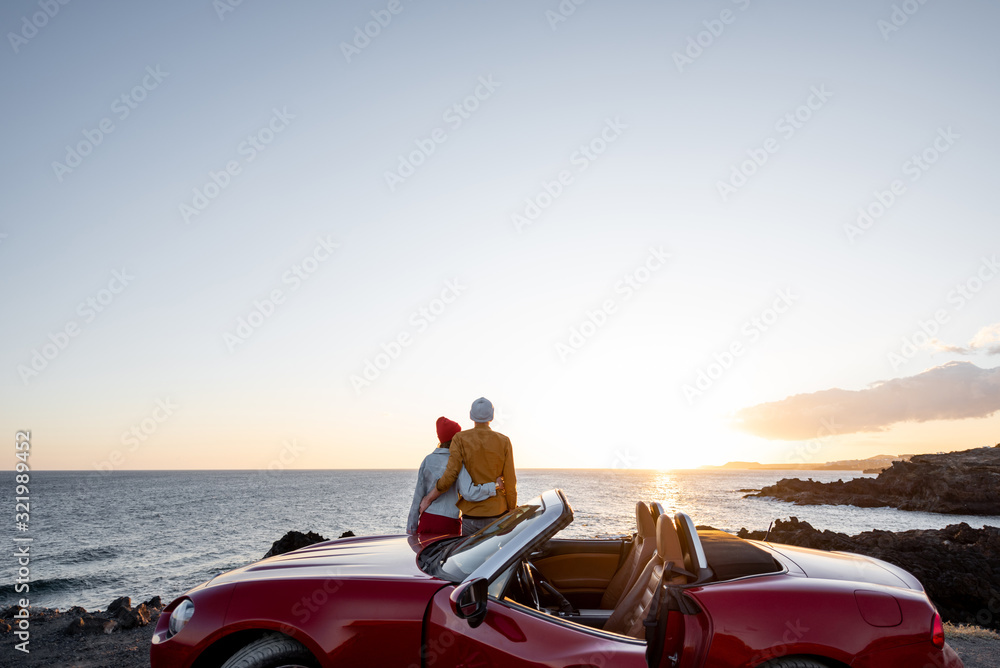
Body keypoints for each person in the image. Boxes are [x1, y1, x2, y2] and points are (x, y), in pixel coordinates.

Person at [420, 397, 517, 536]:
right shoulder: (504, 441)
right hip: (497, 513)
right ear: (492, 415)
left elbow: (450, 475)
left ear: (471, 416)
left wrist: (429, 498)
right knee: (496, 557)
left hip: (471, 515)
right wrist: (512, 508)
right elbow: (510, 480)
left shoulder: (460, 439)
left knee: (469, 557)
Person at [406, 417, 499, 535]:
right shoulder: (458, 461)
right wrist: (493, 486)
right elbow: (469, 493)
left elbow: (417, 497)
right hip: (448, 522)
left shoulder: (428, 460)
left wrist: (411, 529)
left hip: (427, 519)